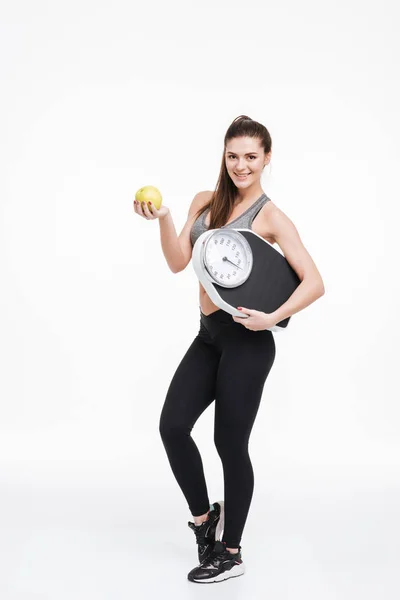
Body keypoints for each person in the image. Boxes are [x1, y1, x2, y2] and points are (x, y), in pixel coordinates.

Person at [133, 115, 325, 583]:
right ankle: (205, 522)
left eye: (251, 157)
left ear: (267, 159)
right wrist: (163, 219)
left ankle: (231, 553)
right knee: (173, 426)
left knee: (228, 443)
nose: (241, 165)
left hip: (249, 341)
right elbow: (180, 263)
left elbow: (315, 282)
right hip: (209, 334)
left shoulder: (271, 218)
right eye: (233, 155)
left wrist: (273, 317)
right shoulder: (204, 201)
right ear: (224, 155)